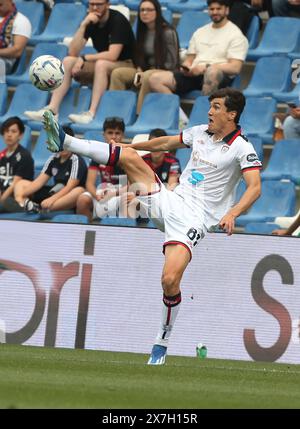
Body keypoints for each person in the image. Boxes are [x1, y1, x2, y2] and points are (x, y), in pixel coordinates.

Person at [42, 87, 262, 365]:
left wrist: (233, 212)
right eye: (210, 106)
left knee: (170, 280)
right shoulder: (199, 132)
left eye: (216, 107)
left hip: (194, 221)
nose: (210, 111)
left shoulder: (242, 147)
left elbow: (255, 188)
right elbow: (164, 143)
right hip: (170, 200)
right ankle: (66, 140)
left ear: (231, 114)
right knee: (130, 158)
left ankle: (161, 343)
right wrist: (129, 149)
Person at [24, 0, 135, 125]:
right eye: (91, 4)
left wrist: (84, 58)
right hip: (104, 62)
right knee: (68, 61)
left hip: (126, 64)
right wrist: (84, 24)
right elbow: (73, 51)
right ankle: (52, 109)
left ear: (107, 5)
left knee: (101, 64)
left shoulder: (117, 20)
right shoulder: (91, 21)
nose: (94, 7)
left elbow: (113, 55)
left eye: (99, 4)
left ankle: (91, 113)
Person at [148, 0, 248, 97]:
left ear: (227, 10)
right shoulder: (200, 32)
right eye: (212, 9)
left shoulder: (236, 35)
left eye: (218, 9)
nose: (215, 12)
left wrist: (206, 67)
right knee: (154, 79)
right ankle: (178, 113)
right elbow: (189, 60)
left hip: (219, 76)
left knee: (212, 72)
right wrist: (186, 68)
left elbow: (235, 67)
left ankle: (206, 112)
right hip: (194, 75)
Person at [109, 0, 179, 114]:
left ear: (157, 12)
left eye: (149, 10)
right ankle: (116, 114)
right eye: (142, 10)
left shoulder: (168, 31)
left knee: (146, 76)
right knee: (118, 73)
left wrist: (148, 71)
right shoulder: (142, 30)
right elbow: (138, 56)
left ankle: (139, 114)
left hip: (164, 72)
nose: (145, 13)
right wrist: (139, 69)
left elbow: (172, 64)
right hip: (145, 70)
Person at [14, 126, 87, 213]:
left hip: (69, 194)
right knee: (21, 184)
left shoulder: (76, 159)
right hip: (55, 191)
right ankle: (24, 204)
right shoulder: (53, 158)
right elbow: (38, 182)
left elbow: (69, 187)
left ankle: (41, 208)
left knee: (79, 191)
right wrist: (21, 195)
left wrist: (51, 199)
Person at [76, 117, 127, 222]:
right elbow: (89, 184)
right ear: (104, 135)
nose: (114, 137)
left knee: (130, 200)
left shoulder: (129, 155)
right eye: (110, 133)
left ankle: (123, 234)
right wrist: (97, 196)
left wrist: (112, 194)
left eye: (117, 133)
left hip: (121, 192)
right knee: (82, 200)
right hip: (102, 193)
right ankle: (88, 232)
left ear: (123, 135)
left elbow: (131, 185)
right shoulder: (98, 154)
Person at [0, 116, 34, 213]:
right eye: (6, 131)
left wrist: (1, 200)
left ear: (21, 135)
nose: (9, 135)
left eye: (13, 131)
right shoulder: (1, 155)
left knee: (5, 203)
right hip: (3, 197)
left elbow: (15, 184)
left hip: (15, 199)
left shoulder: (24, 156)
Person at [0, 0, 31, 76]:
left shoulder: (21, 20)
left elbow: (17, 51)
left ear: (10, 1)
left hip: (4, 62)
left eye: (0, 4)